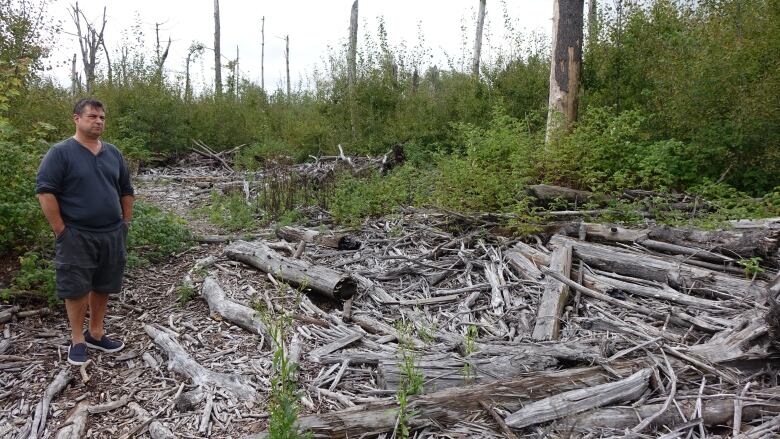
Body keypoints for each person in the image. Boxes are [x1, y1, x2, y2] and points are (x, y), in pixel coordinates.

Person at [36, 98, 134, 365]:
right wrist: (60, 229)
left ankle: (96, 333)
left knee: (104, 284)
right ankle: (77, 339)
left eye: (102, 117)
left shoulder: (113, 153)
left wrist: (126, 222)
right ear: (76, 119)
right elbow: (46, 192)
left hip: (112, 232)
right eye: (92, 116)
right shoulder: (61, 152)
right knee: (76, 288)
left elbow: (126, 190)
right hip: (76, 233)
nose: (98, 121)